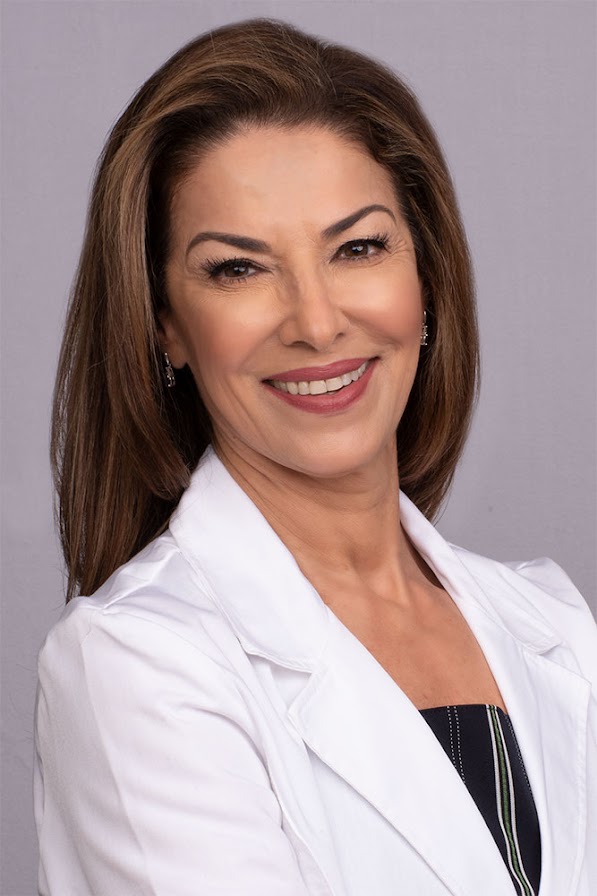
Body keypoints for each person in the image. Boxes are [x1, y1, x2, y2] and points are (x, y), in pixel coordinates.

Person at [34, 17, 596, 896]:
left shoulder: (554, 625)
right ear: (164, 324)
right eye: (238, 269)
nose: (318, 322)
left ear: (425, 280)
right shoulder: (135, 663)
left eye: (357, 248)